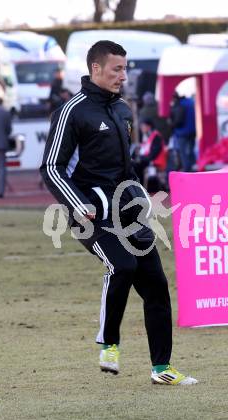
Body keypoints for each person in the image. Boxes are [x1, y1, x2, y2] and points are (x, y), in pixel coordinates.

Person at [40, 40, 197, 385]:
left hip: (127, 211)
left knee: (157, 286)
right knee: (122, 265)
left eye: (125, 69)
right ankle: (109, 344)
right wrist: (77, 204)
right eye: (116, 69)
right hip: (90, 215)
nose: (123, 76)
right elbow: (51, 167)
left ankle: (162, 369)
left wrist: (143, 198)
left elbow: (127, 170)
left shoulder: (124, 110)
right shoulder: (72, 111)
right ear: (95, 68)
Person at [133, 118, 167, 191]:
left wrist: (141, 158)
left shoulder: (156, 136)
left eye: (143, 126)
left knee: (136, 166)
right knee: (135, 164)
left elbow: (153, 154)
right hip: (150, 159)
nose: (141, 128)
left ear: (149, 126)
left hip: (156, 161)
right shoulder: (149, 135)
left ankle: (140, 188)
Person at [169, 92, 196, 172]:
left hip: (181, 132)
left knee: (182, 152)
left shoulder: (179, 105)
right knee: (190, 150)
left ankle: (187, 169)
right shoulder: (191, 102)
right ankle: (193, 165)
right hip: (193, 131)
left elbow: (178, 121)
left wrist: (171, 124)